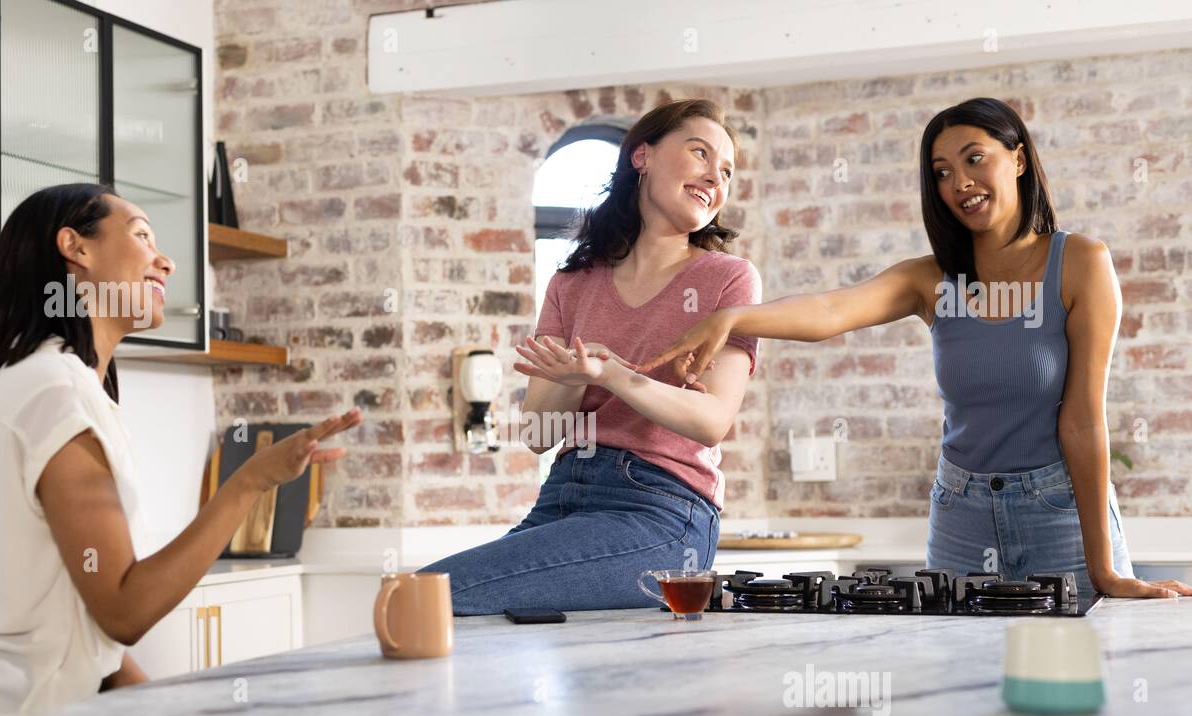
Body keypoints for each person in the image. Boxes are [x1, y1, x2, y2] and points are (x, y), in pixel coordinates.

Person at [0, 183, 361, 716]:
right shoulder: (52, 388)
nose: (166, 260)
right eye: (141, 234)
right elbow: (123, 607)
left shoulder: (66, 385)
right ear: (74, 249)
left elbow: (95, 641)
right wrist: (247, 485)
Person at [640, 97, 1191, 605]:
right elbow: (831, 312)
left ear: (1018, 159)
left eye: (976, 159)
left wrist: (1106, 570)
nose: (961, 183)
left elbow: (1083, 422)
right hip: (962, 517)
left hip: (1059, 512)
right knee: (958, 693)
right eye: (943, 172)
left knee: (1076, 689)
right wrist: (733, 315)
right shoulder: (931, 280)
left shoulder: (1081, 264)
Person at [421, 99, 760, 614]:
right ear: (642, 157)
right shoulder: (572, 282)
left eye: (727, 170)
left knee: (425, 597)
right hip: (561, 496)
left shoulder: (727, 278)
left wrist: (614, 374)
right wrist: (576, 377)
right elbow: (538, 435)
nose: (716, 176)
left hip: (661, 510)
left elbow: (712, 421)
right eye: (700, 153)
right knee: (445, 613)